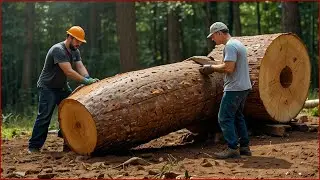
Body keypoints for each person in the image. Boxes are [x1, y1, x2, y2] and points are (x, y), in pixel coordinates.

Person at [28, 26, 99, 153]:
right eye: (77, 41)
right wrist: (85, 81)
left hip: (61, 86)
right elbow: (69, 71)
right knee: (44, 117)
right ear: (70, 37)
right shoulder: (58, 50)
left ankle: (68, 143)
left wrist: (88, 78)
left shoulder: (75, 50)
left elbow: (80, 66)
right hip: (47, 87)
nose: (79, 44)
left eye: (80, 42)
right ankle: (34, 147)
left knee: (70, 113)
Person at [199, 22, 252, 159]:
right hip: (244, 87)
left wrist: (211, 68)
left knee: (224, 117)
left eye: (213, 36)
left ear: (219, 33)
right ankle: (245, 147)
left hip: (234, 88)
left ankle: (232, 148)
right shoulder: (237, 43)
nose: (212, 39)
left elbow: (229, 68)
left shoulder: (230, 46)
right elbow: (227, 64)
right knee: (238, 116)